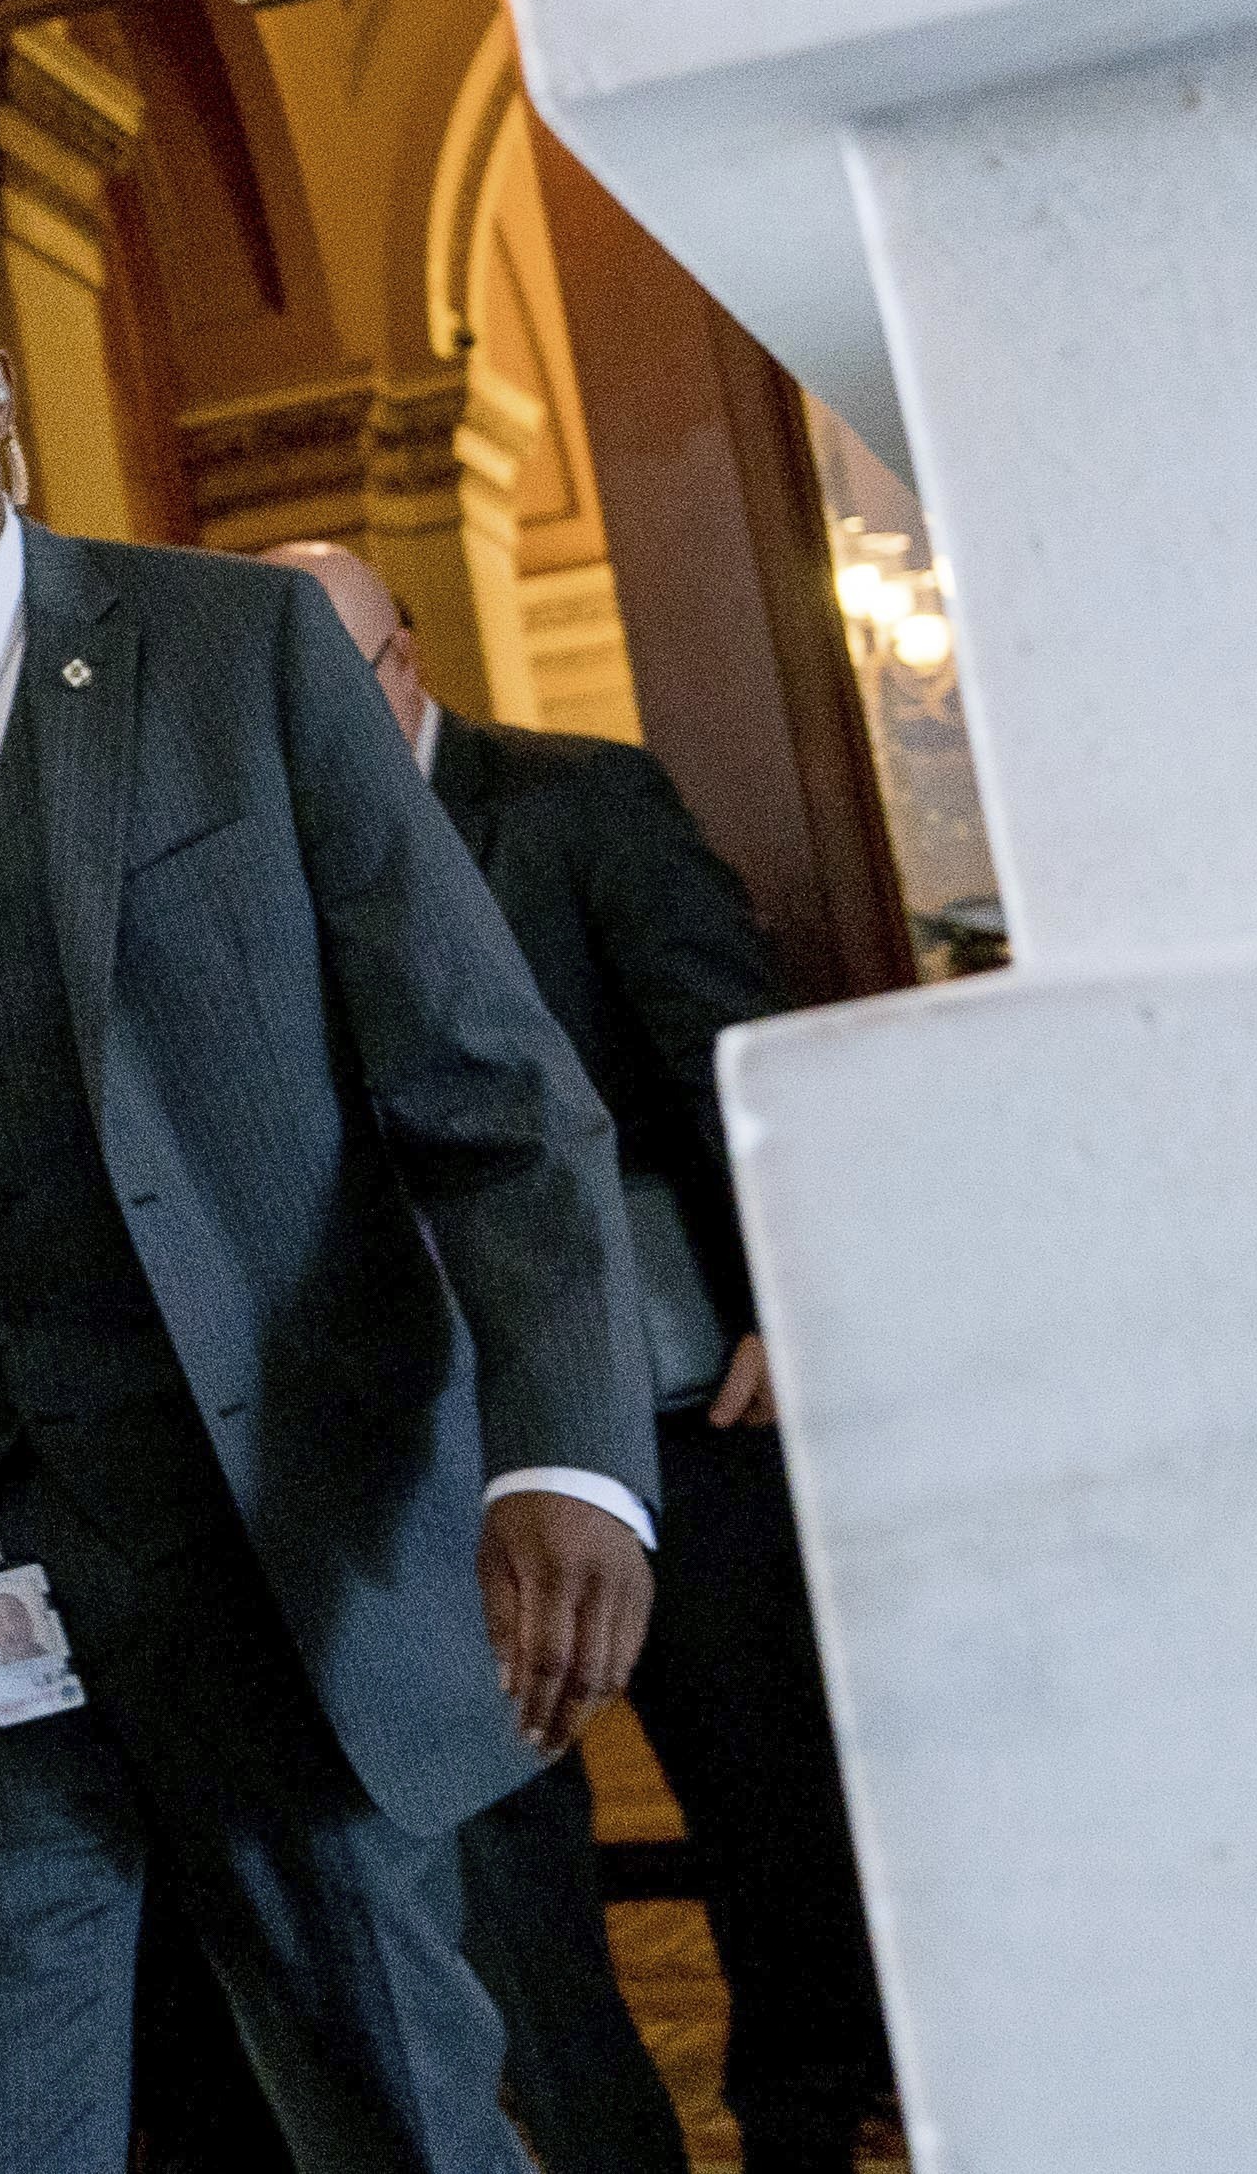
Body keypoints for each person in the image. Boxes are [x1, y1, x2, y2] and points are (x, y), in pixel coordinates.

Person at [0, 211, 657, 2174]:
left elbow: (489, 1089)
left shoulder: (230, 654)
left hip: (282, 1575)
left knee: (404, 2120)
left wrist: (562, 1459)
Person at [260, 545, 902, 2174]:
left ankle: (805, 2120)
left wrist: (782, 1292)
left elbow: (715, 1044)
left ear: (408, 659)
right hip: (424, 1445)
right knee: (504, 1859)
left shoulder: (576, 802)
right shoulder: (249, 858)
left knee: (770, 1799)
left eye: (347, 674)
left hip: (671, 1401)